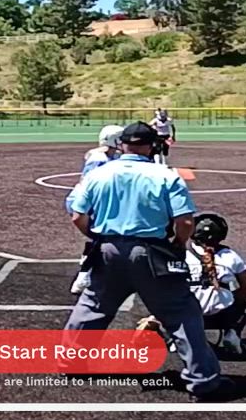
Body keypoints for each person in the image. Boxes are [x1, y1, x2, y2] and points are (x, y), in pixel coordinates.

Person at [65, 121, 232, 399]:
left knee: (93, 306)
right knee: (181, 313)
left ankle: (71, 362)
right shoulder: (165, 175)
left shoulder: (98, 174)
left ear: (122, 145)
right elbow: (185, 221)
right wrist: (178, 244)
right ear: (152, 145)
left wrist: (95, 237)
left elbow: (77, 214)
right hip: (152, 252)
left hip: (107, 249)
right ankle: (202, 380)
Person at [141, 213, 246, 356]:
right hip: (220, 316)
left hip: (188, 315)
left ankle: (171, 336)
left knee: (169, 301)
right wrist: (227, 297)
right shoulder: (231, 256)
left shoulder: (181, 255)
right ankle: (232, 332)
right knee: (244, 307)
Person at [66, 124, 124, 294]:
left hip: (87, 202)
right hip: (85, 203)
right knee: (103, 236)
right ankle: (84, 275)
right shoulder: (99, 159)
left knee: (100, 237)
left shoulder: (108, 156)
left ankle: (88, 263)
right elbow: (91, 184)